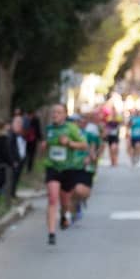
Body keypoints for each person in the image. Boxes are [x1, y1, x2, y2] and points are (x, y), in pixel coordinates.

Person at [39, 103, 87, 245]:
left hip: (68, 168)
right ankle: (51, 233)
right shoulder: (49, 129)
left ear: (65, 115)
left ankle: (63, 215)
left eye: (59, 112)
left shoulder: (71, 128)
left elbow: (84, 145)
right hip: (52, 167)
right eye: (54, 112)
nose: (55, 115)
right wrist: (43, 147)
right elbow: (44, 149)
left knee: (65, 201)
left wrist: (69, 143)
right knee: (52, 198)